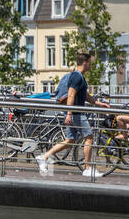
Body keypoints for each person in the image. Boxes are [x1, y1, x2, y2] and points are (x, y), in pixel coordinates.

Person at [36, 51, 111, 179]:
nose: (91, 66)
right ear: (85, 63)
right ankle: (87, 168)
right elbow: (71, 94)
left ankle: (44, 157)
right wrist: (69, 113)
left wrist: (97, 103)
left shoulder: (79, 77)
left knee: (70, 141)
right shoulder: (77, 77)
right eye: (90, 63)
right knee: (89, 138)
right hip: (76, 113)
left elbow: (85, 95)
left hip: (74, 112)